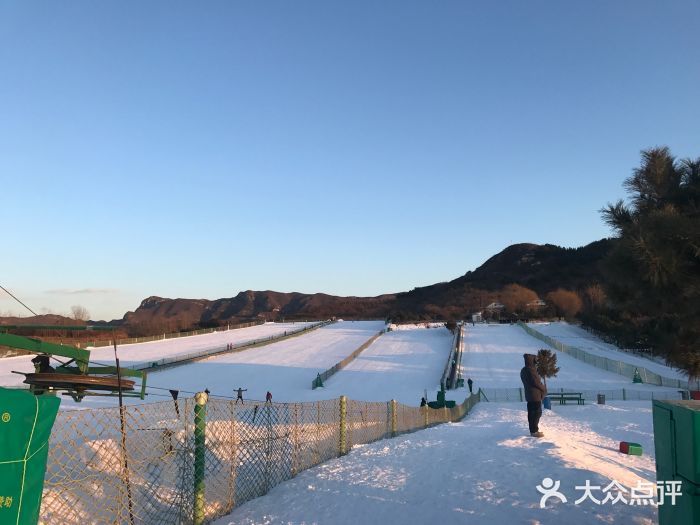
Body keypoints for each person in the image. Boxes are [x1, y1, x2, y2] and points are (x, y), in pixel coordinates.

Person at [520, 354, 546, 437]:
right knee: (536, 413)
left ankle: (533, 430)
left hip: (529, 395)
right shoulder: (531, 370)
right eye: (535, 360)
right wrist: (544, 389)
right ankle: (534, 431)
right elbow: (536, 382)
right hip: (535, 396)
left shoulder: (523, 370)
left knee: (531, 413)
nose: (536, 362)